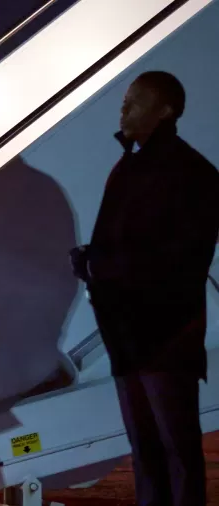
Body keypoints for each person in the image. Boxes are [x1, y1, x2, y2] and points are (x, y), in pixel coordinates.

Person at [70, 71, 219, 506]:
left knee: (173, 451)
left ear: (166, 110)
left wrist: (96, 265)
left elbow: (178, 259)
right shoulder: (135, 166)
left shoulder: (188, 173)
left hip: (162, 339)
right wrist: (94, 263)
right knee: (150, 451)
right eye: (125, 102)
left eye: (134, 103)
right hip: (134, 338)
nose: (123, 110)